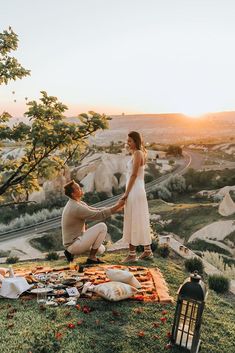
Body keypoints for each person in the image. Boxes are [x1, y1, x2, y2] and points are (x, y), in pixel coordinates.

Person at [62, 180, 125, 264]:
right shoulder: (75, 207)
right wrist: (117, 206)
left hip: (77, 241)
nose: (81, 189)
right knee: (102, 226)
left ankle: (70, 253)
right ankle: (91, 258)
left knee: (101, 249)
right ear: (73, 194)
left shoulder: (78, 203)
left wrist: (116, 208)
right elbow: (98, 215)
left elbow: (98, 209)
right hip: (73, 244)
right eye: (78, 188)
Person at [121, 131, 152, 262]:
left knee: (133, 218)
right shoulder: (137, 153)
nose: (128, 143)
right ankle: (147, 251)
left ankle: (132, 254)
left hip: (134, 190)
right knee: (139, 217)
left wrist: (126, 193)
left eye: (130, 141)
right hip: (136, 188)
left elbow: (134, 175)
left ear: (136, 141)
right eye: (127, 141)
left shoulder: (138, 153)